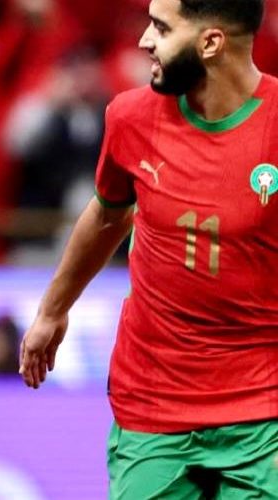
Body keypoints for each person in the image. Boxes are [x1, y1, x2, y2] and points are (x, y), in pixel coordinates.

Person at [18, 0, 278, 497]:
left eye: (161, 27)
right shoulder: (131, 117)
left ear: (211, 43)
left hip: (262, 413)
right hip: (152, 406)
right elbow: (107, 215)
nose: (144, 41)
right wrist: (52, 311)